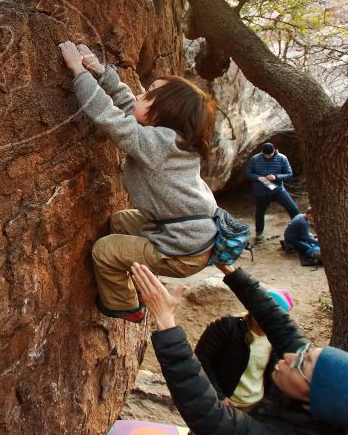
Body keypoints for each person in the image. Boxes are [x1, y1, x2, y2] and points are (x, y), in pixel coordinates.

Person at [59, 41, 218, 322]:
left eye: (149, 95)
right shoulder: (171, 138)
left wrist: (79, 74)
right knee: (121, 222)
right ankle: (142, 277)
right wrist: (101, 72)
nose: (140, 95)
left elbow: (112, 119)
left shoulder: (158, 144)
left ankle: (126, 305)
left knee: (105, 250)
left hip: (181, 251)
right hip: (190, 236)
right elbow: (132, 107)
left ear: (164, 114)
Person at [131, 262, 348, 434]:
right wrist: (230, 270)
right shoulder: (231, 329)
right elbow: (277, 321)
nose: (291, 355)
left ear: (312, 403)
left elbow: (210, 417)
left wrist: (166, 322)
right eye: (306, 352)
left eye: (302, 363)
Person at [195, 288, 294, 411]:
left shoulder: (279, 341)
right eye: (261, 308)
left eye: (271, 313)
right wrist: (218, 395)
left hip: (254, 407)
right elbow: (201, 359)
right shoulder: (228, 327)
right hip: (220, 404)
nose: (264, 315)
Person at [246, 143, 299, 242]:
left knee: (293, 209)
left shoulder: (282, 158)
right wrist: (258, 177)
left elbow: (289, 174)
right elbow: (248, 173)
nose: (267, 157)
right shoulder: (255, 158)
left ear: (274, 151)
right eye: (265, 155)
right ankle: (259, 233)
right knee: (260, 212)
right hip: (260, 191)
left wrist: (276, 177)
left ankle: (299, 230)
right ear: (262, 152)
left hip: (278, 190)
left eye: (270, 155)